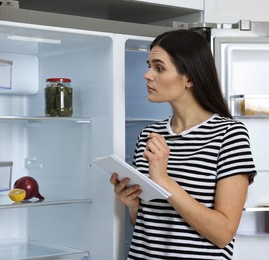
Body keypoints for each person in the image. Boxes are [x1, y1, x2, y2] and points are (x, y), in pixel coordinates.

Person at [110, 29, 256, 260]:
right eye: (149, 66)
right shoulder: (149, 135)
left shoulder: (229, 134)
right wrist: (133, 206)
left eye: (159, 68)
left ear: (189, 77)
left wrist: (163, 180)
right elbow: (150, 224)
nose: (147, 75)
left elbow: (223, 233)